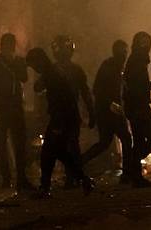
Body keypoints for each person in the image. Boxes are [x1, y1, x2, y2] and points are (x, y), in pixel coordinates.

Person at [25, 48, 94, 198]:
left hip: (62, 118)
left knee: (49, 153)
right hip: (66, 117)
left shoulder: (52, 74)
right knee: (61, 153)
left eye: (34, 65)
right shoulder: (52, 72)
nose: (34, 69)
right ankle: (83, 180)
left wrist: (59, 123)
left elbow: (61, 97)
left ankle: (46, 187)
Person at [0, 33, 34, 191]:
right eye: (7, 44)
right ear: (3, 45)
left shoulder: (18, 61)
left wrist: (15, 65)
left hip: (16, 107)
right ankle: (6, 177)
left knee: (19, 143)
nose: (9, 47)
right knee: (1, 144)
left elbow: (24, 78)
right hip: (2, 108)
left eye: (11, 45)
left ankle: (21, 178)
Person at [81, 40, 133, 183]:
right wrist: (111, 104)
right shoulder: (109, 66)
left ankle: (79, 163)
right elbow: (98, 89)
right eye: (122, 51)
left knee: (105, 142)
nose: (124, 54)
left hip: (110, 110)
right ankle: (128, 173)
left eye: (125, 51)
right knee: (125, 139)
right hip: (108, 111)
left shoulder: (117, 67)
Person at [51, 35, 95, 188]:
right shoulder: (74, 69)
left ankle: (72, 177)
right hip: (66, 112)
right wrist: (91, 111)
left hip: (61, 113)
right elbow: (85, 92)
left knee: (67, 146)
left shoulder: (55, 69)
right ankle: (75, 177)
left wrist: (91, 111)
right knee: (71, 145)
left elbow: (39, 87)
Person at [123, 31, 151, 188]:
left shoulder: (137, 60)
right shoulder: (137, 60)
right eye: (142, 42)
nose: (145, 46)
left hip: (135, 105)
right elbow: (137, 87)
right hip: (138, 106)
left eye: (147, 42)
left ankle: (135, 175)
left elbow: (138, 86)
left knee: (139, 141)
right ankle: (132, 170)